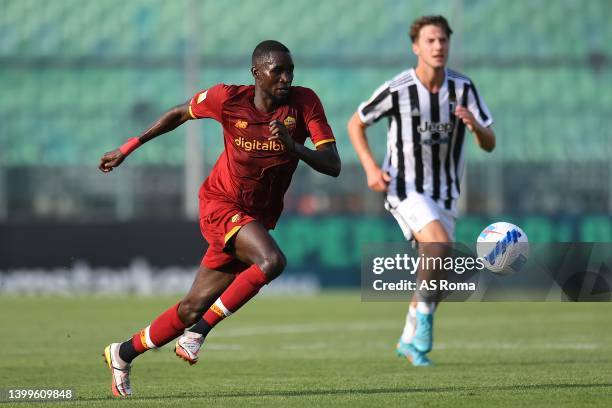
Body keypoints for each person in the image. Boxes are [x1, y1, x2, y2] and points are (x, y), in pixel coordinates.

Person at [99, 40, 340, 397]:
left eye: (290, 70)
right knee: (271, 261)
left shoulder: (305, 103)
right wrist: (127, 148)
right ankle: (200, 331)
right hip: (220, 205)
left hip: (255, 218)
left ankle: (122, 353)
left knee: (189, 306)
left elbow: (332, 165)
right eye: (278, 71)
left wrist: (294, 147)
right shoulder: (228, 99)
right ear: (256, 73)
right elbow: (180, 113)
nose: (286, 77)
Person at [347, 15, 495, 366]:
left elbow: (490, 143)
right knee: (439, 244)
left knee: (441, 272)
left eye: (443, 40)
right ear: (416, 47)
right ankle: (425, 323)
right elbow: (356, 123)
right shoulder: (398, 88)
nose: (438, 46)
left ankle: (408, 339)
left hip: (445, 194)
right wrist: (370, 168)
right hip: (404, 185)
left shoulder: (463, 88)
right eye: (430, 40)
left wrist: (475, 127)